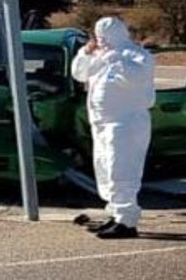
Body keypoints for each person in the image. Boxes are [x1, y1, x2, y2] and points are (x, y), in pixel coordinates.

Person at [71, 16, 156, 239]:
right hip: (102, 122)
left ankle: (127, 222)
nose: (100, 41)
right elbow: (79, 73)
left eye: (104, 37)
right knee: (105, 169)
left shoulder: (135, 55)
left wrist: (115, 58)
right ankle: (115, 214)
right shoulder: (101, 55)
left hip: (126, 122)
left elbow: (136, 78)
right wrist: (86, 54)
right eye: (98, 36)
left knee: (122, 171)